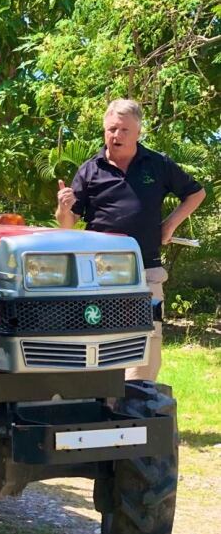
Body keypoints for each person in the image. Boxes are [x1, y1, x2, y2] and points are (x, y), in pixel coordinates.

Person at [56, 99, 205, 381]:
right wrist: (64, 208)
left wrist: (169, 225)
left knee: (147, 336)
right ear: (104, 131)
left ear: (138, 132)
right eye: (111, 129)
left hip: (145, 270)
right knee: (100, 336)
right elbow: (67, 224)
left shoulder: (157, 164)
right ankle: (102, 401)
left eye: (124, 129)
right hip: (98, 273)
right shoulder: (90, 170)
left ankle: (138, 401)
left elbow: (196, 193)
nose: (117, 135)